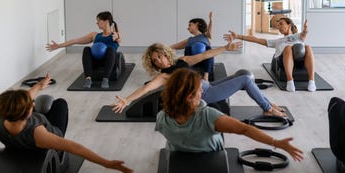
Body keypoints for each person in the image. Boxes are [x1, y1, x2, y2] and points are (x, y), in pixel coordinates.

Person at [0, 74, 133, 173]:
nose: (33, 102)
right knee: (60, 103)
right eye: (31, 104)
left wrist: (39, 86)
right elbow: (74, 147)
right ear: (28, 113)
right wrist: (106, 163)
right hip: (48, 136)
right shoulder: (39, 134)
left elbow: (19, 102)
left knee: (40, 106)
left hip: (19, 143)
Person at [155, 68, 303, 161]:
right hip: (210, 152)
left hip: (178, 151)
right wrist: (276, 143)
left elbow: (180, 134)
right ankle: (268, 108)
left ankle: (269, 105)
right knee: (242, 81)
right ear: (189, 97)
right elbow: (244, 129)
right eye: (199, 90)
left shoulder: (161, 117)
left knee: (238, 77)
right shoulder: (208, 116)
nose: (201, 92)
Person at [111, 42, 287, 118]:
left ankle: (269, 103)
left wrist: (226, 47)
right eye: (155, 61)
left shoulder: (183, 61)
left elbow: (205, 55)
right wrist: (126, 100)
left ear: (165, 54)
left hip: (208, 85)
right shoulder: (164, 76)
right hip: (205, 94)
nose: (159, 61)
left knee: (241, 74)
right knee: (246, 81)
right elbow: (146, 89)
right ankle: (267, 108)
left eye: (159, 56)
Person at [224, 18, 317, 92]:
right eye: (278, 25)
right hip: (283, 60)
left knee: (308, 47)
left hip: (300, 59)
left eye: (281, 24)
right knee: (288, 48)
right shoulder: (277, 41)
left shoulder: (298, 36)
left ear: (289, 25)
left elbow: (304, 35)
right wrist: (238, 36)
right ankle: (290, 81)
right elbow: (257, 39)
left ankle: (311, 81)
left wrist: (305, 30)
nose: (279, 26)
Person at [46, 11, 121, 89]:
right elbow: (75, 41)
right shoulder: (94, 35)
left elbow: (119, 38)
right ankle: (88, 79)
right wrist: (58, 46)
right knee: (86, 49)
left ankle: (105, 79)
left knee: (111, 49)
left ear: (106, 21)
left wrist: (117, 37)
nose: (97, 23)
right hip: (96, 62)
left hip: (110, 62)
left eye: (98, 20)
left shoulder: (115, 34)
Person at [171, 11, 214, 80]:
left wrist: (211, 20)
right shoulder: (189, 40)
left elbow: (209, 30)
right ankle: (188, 74)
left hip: (204, 60)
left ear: (197, 24)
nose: (188, 28)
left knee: (208, 50)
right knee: (188, 49)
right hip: (192, 61)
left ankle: (206, 76)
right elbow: (175, 46)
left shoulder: (206, 36)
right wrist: (163, 48)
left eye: (190, 25)